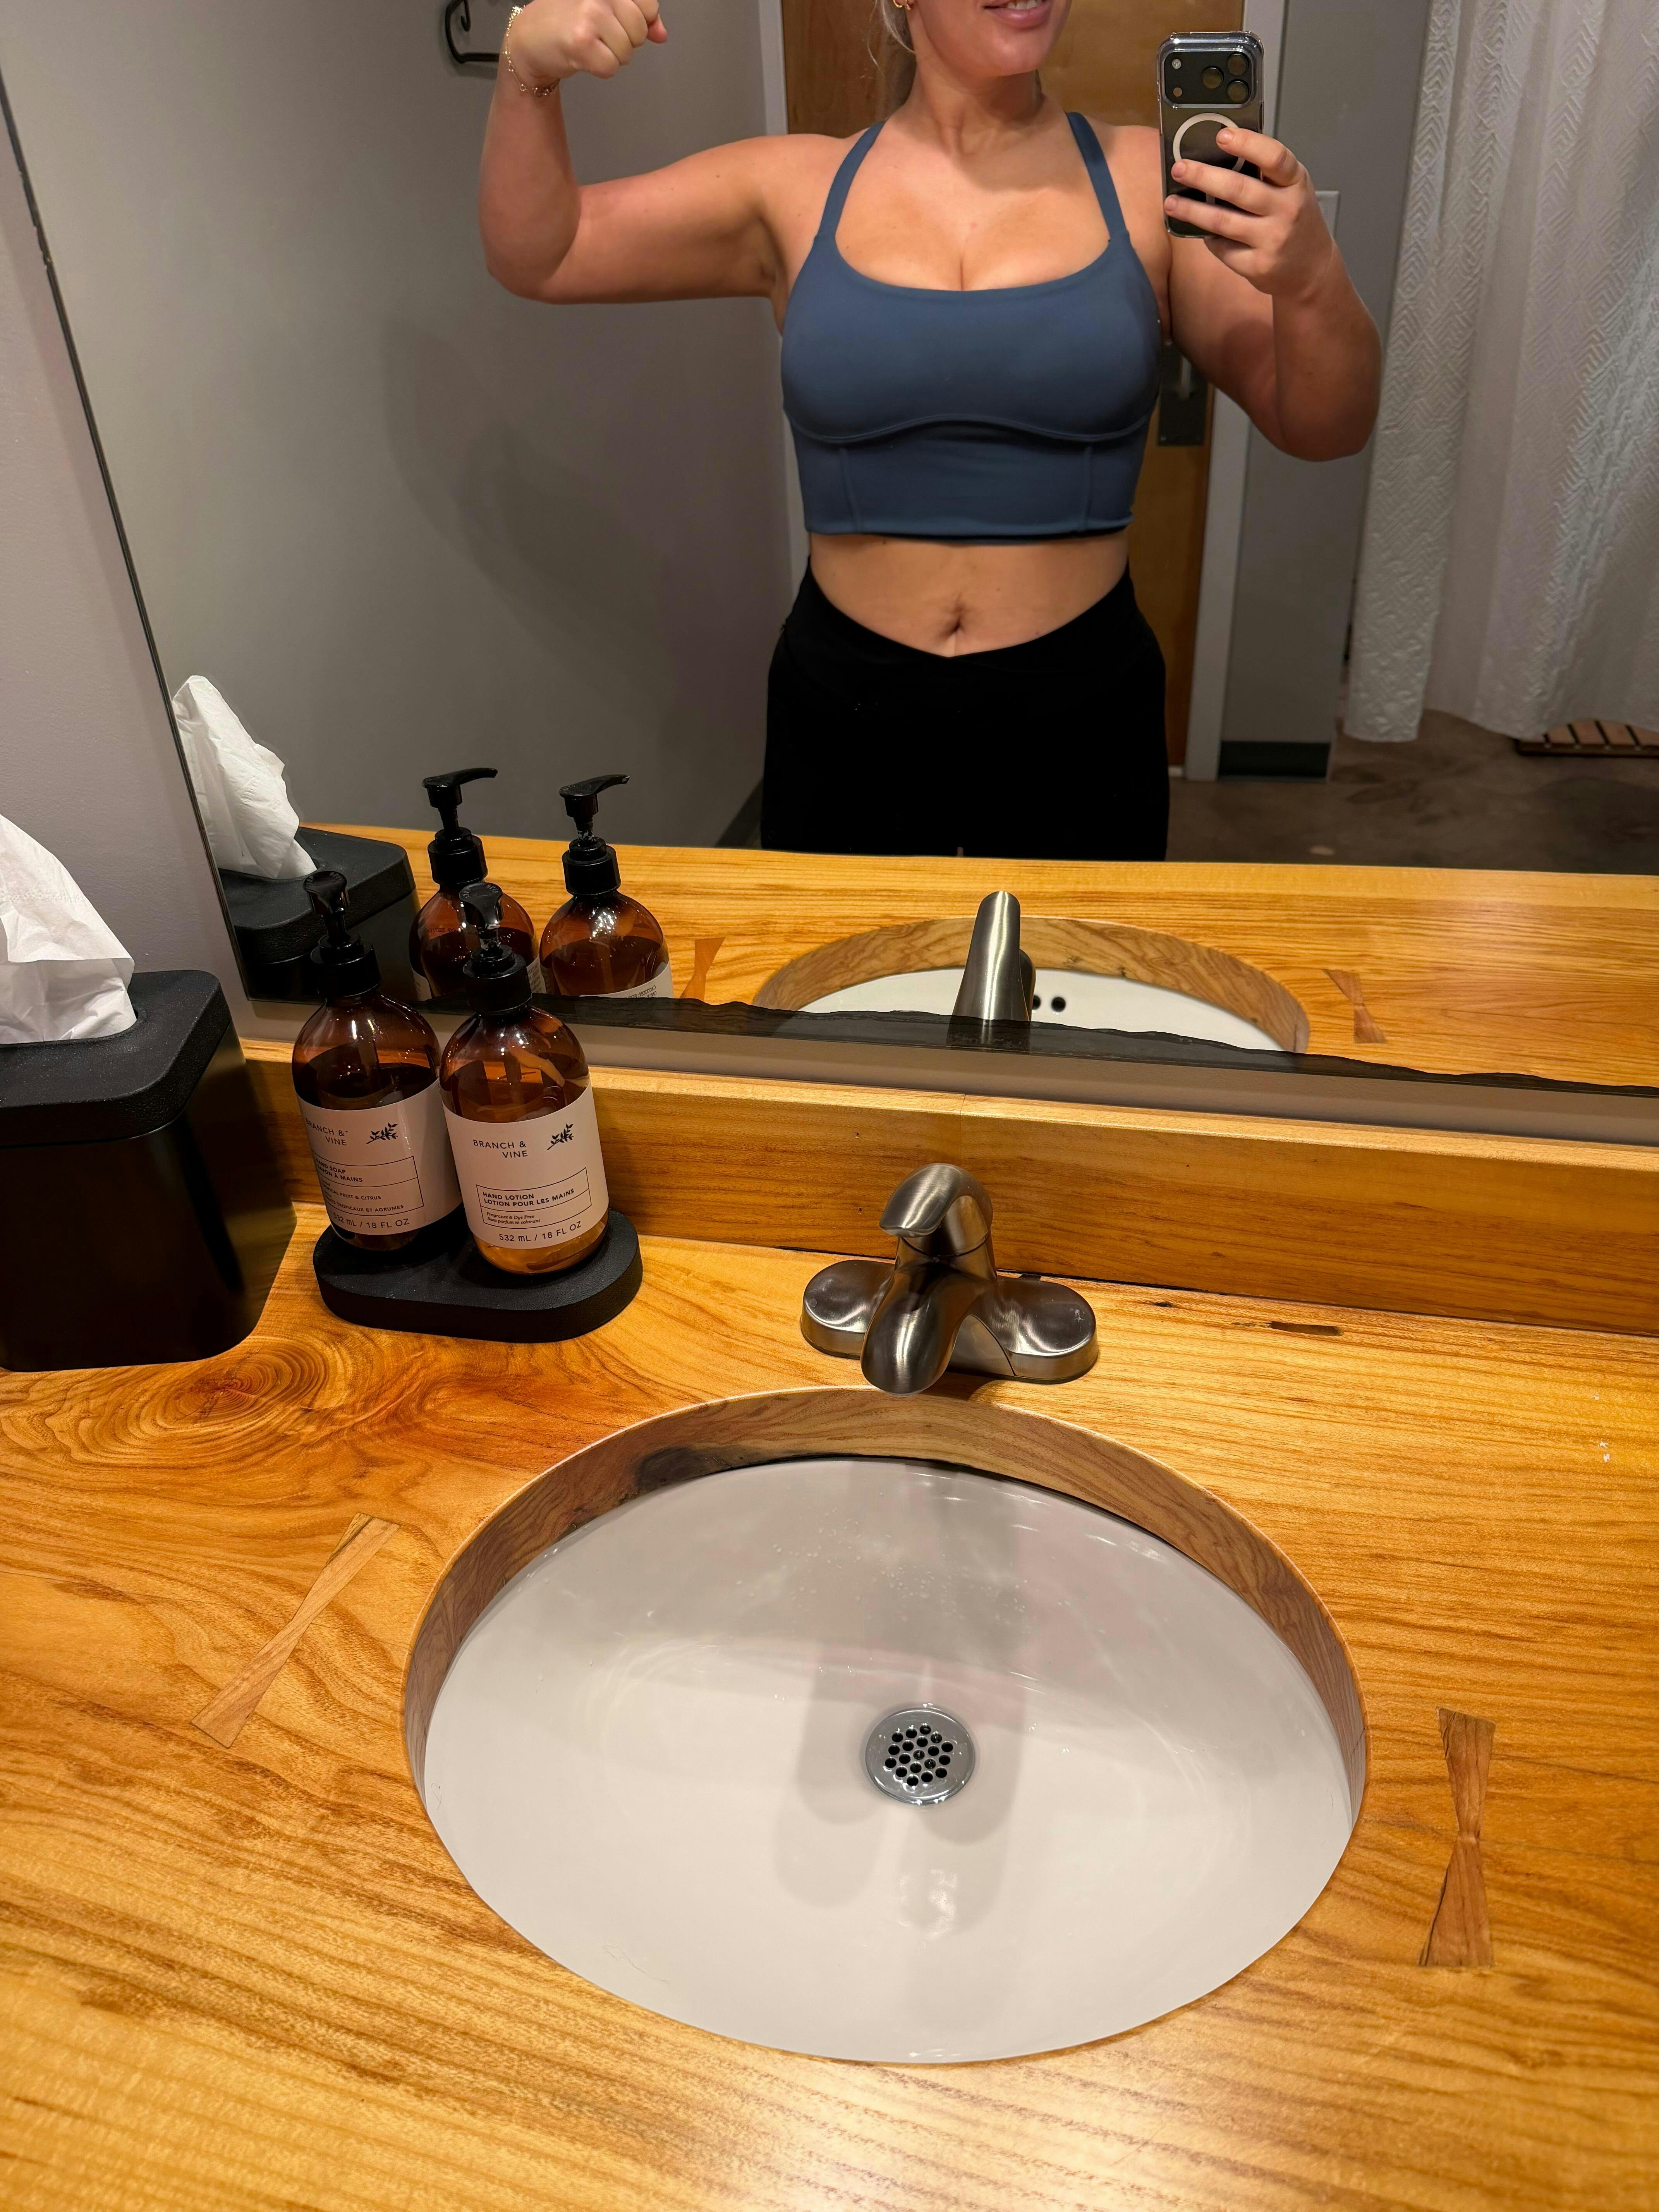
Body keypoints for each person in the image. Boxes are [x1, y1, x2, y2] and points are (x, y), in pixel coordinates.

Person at [480, 0, 1379, 860]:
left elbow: (1324, 425)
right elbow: (544, 252)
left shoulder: (1155, 184)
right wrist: (526, 65)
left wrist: (1311, 278)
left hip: (1080, 713)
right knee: (845, 969)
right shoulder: (790, 188)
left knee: (1075, 972)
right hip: (846, 707)